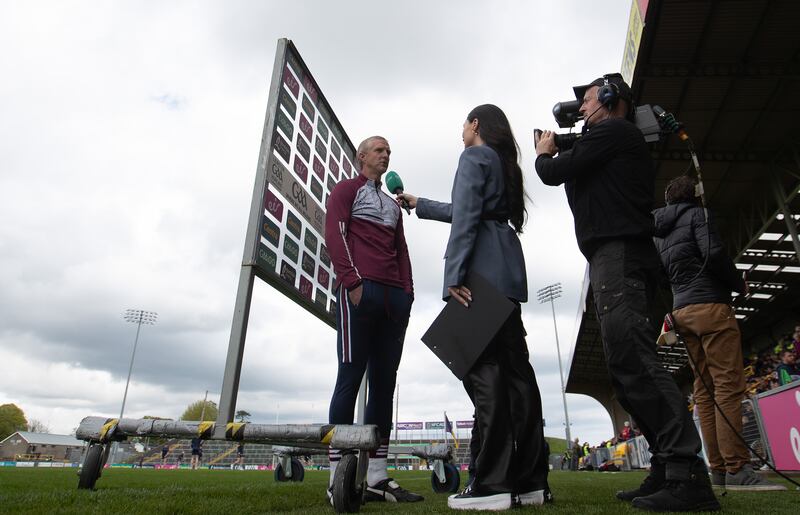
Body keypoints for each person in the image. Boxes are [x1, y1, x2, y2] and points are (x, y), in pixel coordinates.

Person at [535, 73, 719, 512]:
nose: (580, 109)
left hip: (620, 255)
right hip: (612, 258)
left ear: (612, 100)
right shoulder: (608, 141)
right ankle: (666, 467)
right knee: (624, 370)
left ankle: (688, 473)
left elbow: (552, 173)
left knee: (635, 361)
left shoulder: (616, 131)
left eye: (588, 101)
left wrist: (545, 153)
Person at [397, 104, 549, 511]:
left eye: (463, 124)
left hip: (478, 276)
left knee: (485, 377)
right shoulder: (504, 164)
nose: (460, 131)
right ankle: (531, 482)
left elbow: (466, 220)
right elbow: (472, 212)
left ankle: (492, 483)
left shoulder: (472, 155)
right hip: (507, 275)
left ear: (476, 124)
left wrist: (454, 277)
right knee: (519, 381)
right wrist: (419, 203)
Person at [653, 175, 785, 492]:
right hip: (711, 307)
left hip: (682, 311)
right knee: (727, 386)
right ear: (694, 196)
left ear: (669, 200)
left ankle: (720, 471)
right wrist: (738, 283)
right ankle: (738, 469)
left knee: (705, 391)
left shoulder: (658, 231)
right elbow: (712, 255)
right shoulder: (699, 215)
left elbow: (658, 275)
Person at [325, 136, 421, 504]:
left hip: (394, 299)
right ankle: (338, 476)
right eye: (380, 150)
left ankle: (378, 476)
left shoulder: (392, 204)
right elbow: (335, 234)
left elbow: (402, 251)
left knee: (384, 386)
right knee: (349, 378)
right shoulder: (346, 190)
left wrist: (407, 293)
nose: (386, 155)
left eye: (389, 152)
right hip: (360, 294)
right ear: (362, 156)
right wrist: (352, 283)